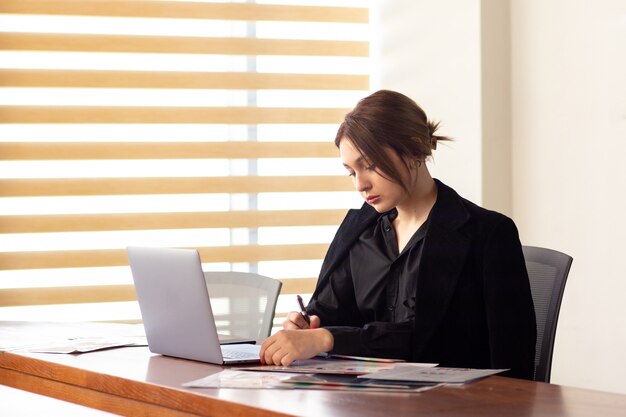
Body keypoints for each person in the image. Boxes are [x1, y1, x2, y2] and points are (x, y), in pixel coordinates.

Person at [259, 89, 537, 380]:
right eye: (351, 172)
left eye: (369, 165)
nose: (360, 185)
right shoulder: (359, 230)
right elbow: (329, 312)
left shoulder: (488, 234)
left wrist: (328, 338)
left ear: (414, 150)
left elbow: (427, 338)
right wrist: (308, 328)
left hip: (454, 405)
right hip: (365, 401)